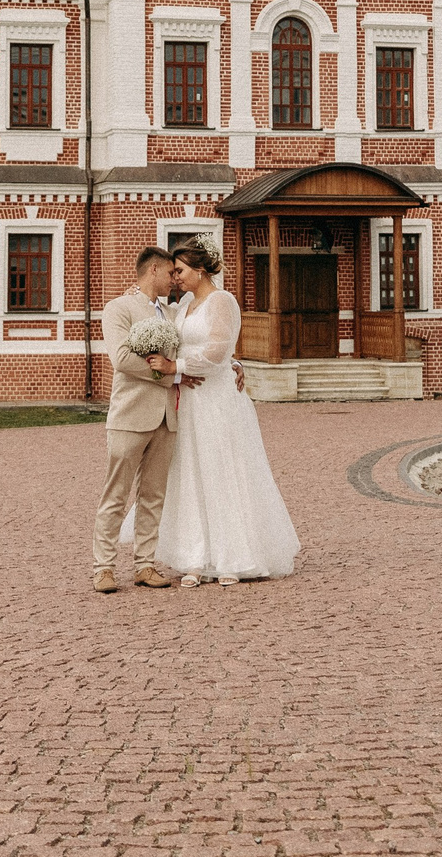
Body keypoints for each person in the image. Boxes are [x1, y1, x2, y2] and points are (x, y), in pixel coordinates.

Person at [152, 238, 300, 584]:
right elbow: (184, 339)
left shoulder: (222, 301)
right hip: (189, 401)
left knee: (221, 473)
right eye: (173, 271)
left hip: (216, 400)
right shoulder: (186, 303)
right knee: (191, 474)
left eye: (180, 271)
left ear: (200, 270)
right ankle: (195, 558)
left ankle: (232, 557)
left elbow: (217, 351)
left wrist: (177, 367)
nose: (175, 278)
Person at [92, 246, 184, 593]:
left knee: (153, 495)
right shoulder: (118, 308)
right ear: (154, 270)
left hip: (167, 417)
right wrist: (166, 374)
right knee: (115, 494)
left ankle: (145, 564)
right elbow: (121, 358)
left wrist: (230, 365)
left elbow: (191, 351)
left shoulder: (173, 313)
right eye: (171, 273)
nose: (175, 279)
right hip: (129, 415)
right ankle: (103, 568)